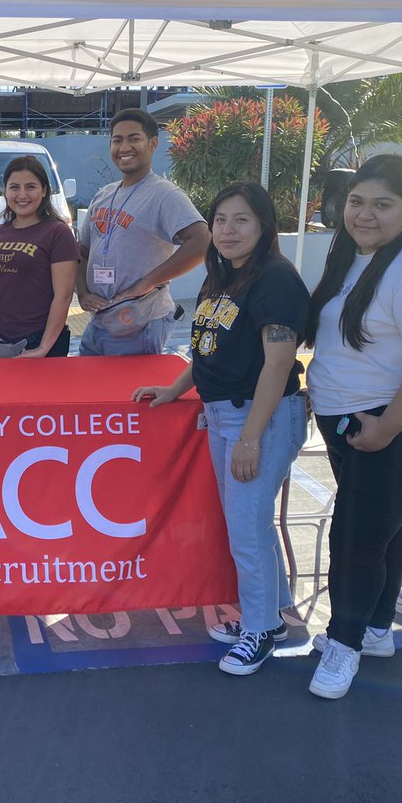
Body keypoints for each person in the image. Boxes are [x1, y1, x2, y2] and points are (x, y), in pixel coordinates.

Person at [304, 154, 402, 700]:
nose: (364, 215)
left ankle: (343, 645)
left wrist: (388, 428)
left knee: (354, 538)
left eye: (382, 204)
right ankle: (375, 631)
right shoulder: (352, 255)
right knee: (384, 531)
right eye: (356, 202)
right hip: (352, 421)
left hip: (399, 426)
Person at [132, 183, 309, 676]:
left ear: (264, 227)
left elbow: (278, 365)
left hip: (261, 417)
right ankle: (269, 618)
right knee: (250, 526)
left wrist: (252, 436)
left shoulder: (275, 280)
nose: (228, 230)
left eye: (242, 220)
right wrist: (175, 389)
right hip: (224, 414)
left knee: (246, 532)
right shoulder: (221, 275)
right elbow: (209, 347)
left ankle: (257, 632)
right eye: (221, 220)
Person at [76, 108, 208, 356]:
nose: (124, 147)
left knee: (126, 393)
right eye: (117, 140)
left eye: (134, 138)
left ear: (153, 143)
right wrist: (82, 293)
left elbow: (202, 242)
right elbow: (81, 252)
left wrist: (147, 282)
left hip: (139, 323)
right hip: (98, 321)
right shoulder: (104, 195)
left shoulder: (164, 194)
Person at [0, 156, 80, 358]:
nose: (22, 194)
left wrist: (42, 348)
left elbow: (63, 296)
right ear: (6, 191)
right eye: (14, 187)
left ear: (44, 191)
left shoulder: (58, 233)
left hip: (38, 343)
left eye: (31, 187)